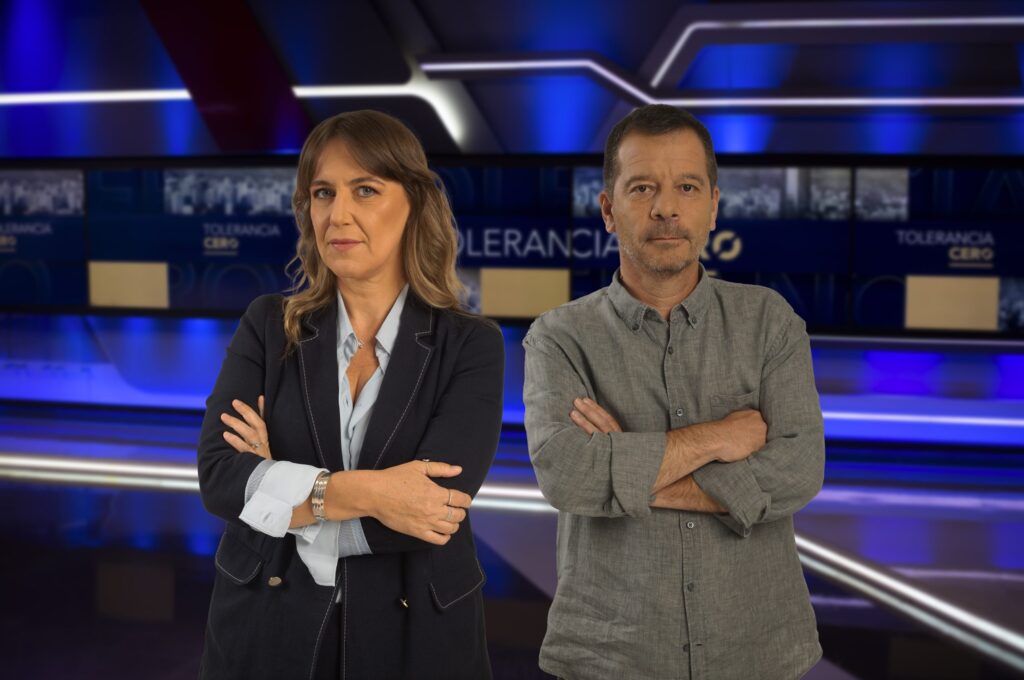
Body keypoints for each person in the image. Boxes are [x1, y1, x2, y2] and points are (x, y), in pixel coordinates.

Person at [196, 110, 504, 680]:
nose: (338, 214)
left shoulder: (470, 344)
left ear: (414, 203)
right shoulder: (268, 325)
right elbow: (220, 477)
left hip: (415, 632)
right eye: (323, 193)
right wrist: (370, 492)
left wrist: (280, 491)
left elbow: (432, 508)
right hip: (265, 626)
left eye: (365, 190)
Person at [522, 104, 824, 679]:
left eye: (687, 187)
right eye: (642, 188)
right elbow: (568, 475)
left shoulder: (770, 321)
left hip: (759, 652)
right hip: (607, 657)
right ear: (608, 210)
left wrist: (627, 468)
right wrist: (719, 438)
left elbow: (799, 468)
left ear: (713, 205)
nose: (666, 208)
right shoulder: (559, 337)